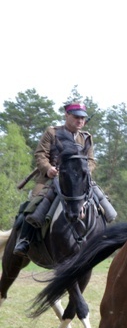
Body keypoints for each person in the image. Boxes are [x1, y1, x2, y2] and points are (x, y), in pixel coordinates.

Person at [13, 102, 97, 256]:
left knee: (101, 203)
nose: (80, 121)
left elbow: (91, 161)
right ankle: (24, 239)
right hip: (51, 178)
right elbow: (40, 154)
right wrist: (48, 169)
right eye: (76, 117)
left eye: (83, 118)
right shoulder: (52, 132)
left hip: (78, 180)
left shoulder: (86, 137)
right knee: (34, 202)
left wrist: (84, 171)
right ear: (66, 115)